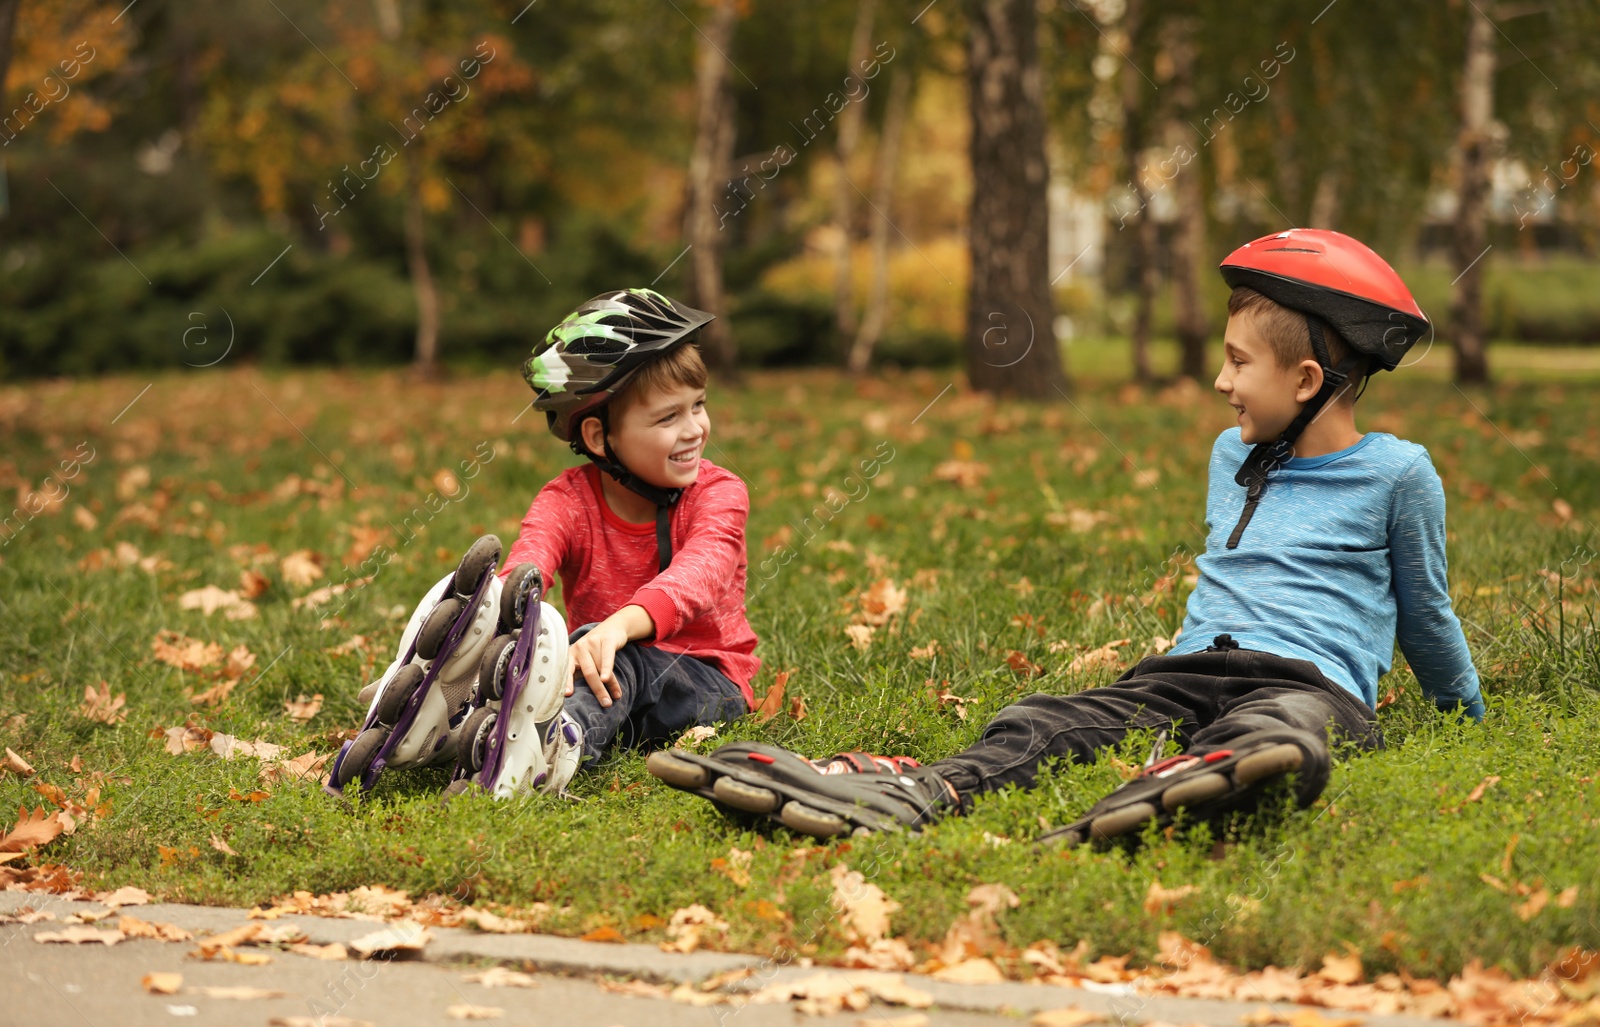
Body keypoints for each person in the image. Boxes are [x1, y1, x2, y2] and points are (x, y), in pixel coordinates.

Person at [648, 229, 1484, 843]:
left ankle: (1209, 775)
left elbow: (1427, 612)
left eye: (1239, 363)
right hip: (1188, 672)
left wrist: (1464, 716)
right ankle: (911, 791)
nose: (1221, 380)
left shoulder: (1400, 476)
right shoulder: (1231, 452)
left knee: (1292, 721)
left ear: (1306, 381)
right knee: (1048, 717)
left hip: (1311, 681)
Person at [330, 289, 758, 800]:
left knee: (604, 652)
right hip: (594, 667)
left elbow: (701, 573)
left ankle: (552, 749)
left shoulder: (719, 493)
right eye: (669, 418)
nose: (695, 429)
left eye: (698, 406)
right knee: (539, 653)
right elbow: (529, 563)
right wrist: (496, 615)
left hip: (706, 680)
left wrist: (617, 628)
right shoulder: (568, 500)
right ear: (600, 438)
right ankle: (447, 714)